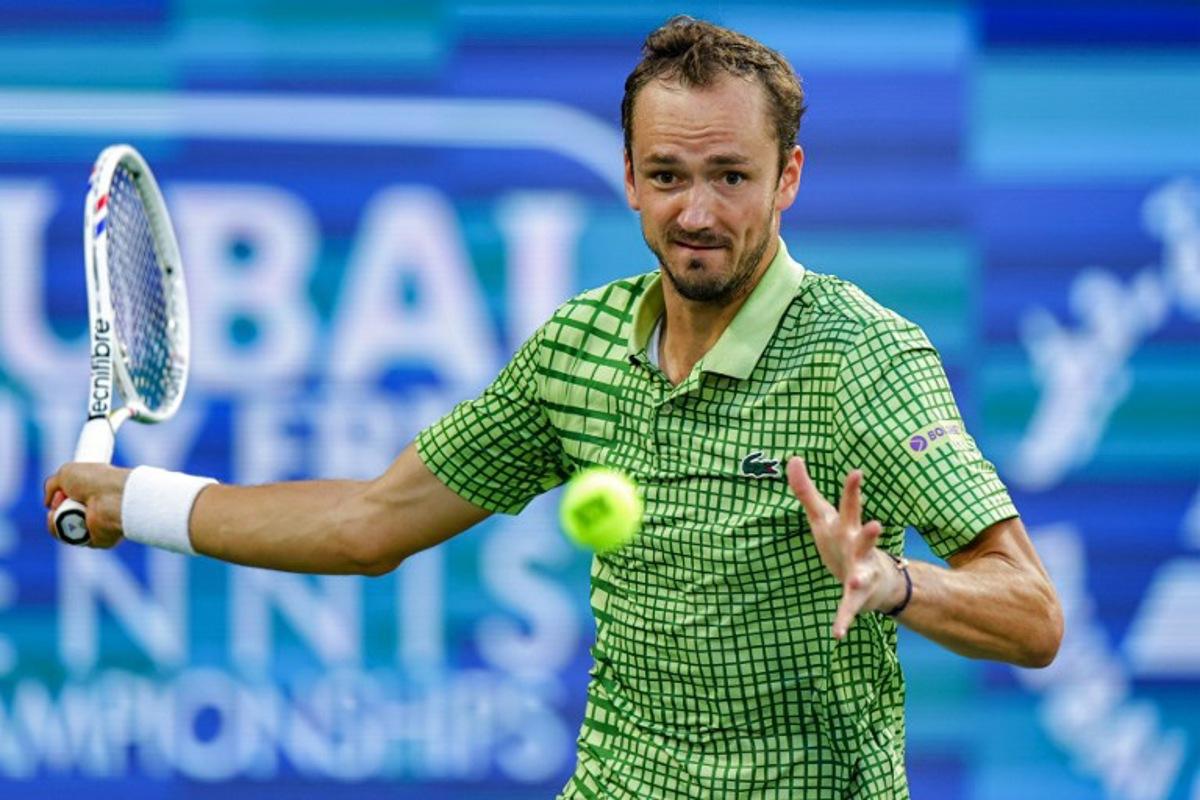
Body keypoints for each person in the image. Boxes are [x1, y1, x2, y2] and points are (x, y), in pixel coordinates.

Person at [45, 16, 1063, 799]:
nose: (696, 212)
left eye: (730, 177)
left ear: (789, 176)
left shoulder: (864, 359)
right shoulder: (578, 346)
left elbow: (1033, 615)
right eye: (666, 175)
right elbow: (368, 523)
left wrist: (892, 581)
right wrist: (138, 501)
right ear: (627, 176)